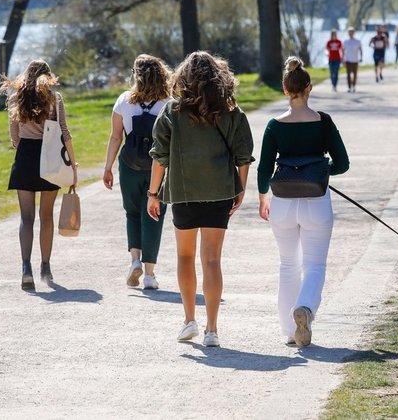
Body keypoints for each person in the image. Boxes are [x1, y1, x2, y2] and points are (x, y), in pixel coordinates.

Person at [147, 51, 254, 348]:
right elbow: (244, 157)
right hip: (220, 191)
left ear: (183, 78)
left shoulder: (171, 112)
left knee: (184, 257)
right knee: (212, 260)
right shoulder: (232, 112)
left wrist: (153, 193)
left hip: (183, 193)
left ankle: (189, 320)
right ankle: (212, 329)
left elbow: (160, 158)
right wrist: (240, 190)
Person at [257, 56, 349, 347]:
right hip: (316, 201)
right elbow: (343, 163)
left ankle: (288, 331)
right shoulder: (323, 122)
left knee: (287, 264)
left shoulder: (274, 125)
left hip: (282, 201)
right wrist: (320, 173)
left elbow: (263, 168)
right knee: (315, 265)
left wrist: (262, 197)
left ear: (286, 90)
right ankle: (306, 310)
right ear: (309, 88)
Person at [0, 59, 78, 291]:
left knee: (26, 218)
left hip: (25, 156)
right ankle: (45, 265)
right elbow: (64, 131)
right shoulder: (54, 99)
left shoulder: (16, 98)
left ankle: (26, 268)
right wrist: (73, 164)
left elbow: (14, 135)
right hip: (50, 159)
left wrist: (21, 147)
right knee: (46, 216)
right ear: (48, 75)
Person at [103, 54, 172, 290]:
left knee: (132, 213)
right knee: (155, 216)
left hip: (129, 165)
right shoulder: (169, 103)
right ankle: (150, 274)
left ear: (136, 75)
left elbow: (115, 137)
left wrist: (108, 167)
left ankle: (135, 260)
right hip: (159, 168)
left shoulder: (124, 100)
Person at [342, 27, 362, 92]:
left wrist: (361, 57)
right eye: (349, 32)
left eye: (352, 32)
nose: (351, 33)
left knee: (355, 75)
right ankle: (349, 87)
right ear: (348, 33)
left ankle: (353, 86)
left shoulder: (357, 41)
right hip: (348, 60)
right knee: (348, 75)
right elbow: (343, 50)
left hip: (355, 60)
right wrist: (343, 59)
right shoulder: (345, 41)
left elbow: (360, 50)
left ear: (354, 33)